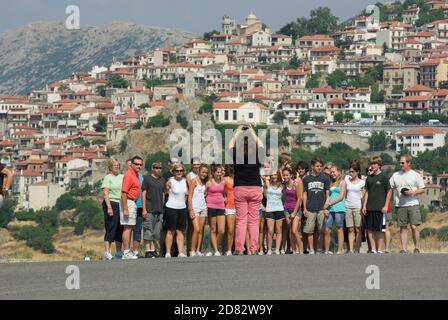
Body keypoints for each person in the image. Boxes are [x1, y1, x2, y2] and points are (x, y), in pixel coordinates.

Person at [228, 124, 265, 255]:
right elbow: (261, 145)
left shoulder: (236, 155)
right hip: (255, 188)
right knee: (254, 220)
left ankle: (239, 247)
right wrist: (253, 132)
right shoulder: (257, 155)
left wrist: (237, 132)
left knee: (241, 219)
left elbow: (230, 146)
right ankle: (254, 248)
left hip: (240, 188)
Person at [389, 154, 425, 254]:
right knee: (403, 227)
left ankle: (417, 247)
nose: (401, 164)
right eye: (400, 162)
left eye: (403, 162)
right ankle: (404, 249)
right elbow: (389, 187)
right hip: (401, 205)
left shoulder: (415, 175)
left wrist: (412, 192)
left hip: (413, 203)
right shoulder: (395, 175)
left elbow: (422, 189)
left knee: (414, 226)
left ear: (409, 163)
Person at [362, 156, 391, 254]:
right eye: (371, 164)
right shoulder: (369, 178)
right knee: (369, 229)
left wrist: (386, 206)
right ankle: (373, 249)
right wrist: (364, 206)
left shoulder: (384, 177)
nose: (372, 166)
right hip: (370, 207)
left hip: (380, 208)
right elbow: (366, 192)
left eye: (374, 164)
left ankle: (379, 249)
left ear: (379, 165)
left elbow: (389, 191)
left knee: (380, 229)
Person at [302, 158, 330, 255]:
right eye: (317, 166)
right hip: (310, 208)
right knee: (309, 230)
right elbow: (305, 194)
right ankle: (311, 249)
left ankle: (319, 248)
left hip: (321, 208)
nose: (319, 168)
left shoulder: (325, 178)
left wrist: (326, 206)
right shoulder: (306, 179)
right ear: (312, 167)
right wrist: (305, 208)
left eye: (320, 166)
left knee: (321, 230)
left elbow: (327, 193)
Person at [121, 156, 144, 260]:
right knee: (128, 227)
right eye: (137, 164)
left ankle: (128, 251)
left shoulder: (135, 174)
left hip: (133, 202)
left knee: (130, 227)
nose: (139, 166)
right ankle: (126, 251)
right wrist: (125, 208)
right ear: (132, 164)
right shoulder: (129, 175)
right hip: (128, 201)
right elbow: (124, 192)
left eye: (140, 164)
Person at [142, 161, 166, 258]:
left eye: (160, 168)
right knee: (148, 229)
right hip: (149, 208)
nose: (158, 169)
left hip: (159, 209)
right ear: (152, 168)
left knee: (156, 231)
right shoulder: (147, 179)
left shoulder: (162, 180)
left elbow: (163, 194)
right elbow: (143, 193)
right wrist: (144, 209)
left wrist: (162, 206)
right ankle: (148, 250)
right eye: (156, 167)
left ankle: (153, 249)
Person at [101, 159, 124, 260]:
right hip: (111, 203)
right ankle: (107, 251)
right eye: (114, 165)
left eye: (118, 165)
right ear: (110, 167)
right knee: (111, 227)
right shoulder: (108, 177)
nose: (117, 167)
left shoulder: (122, 177)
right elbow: (106, 193)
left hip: (121, 203)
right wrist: (109, 207)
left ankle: (119, 251)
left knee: (120, 228)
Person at [164, 163, 188, 258]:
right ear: (173, 172)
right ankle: (168, 252)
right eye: (177, 171)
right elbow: (165, 191)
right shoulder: (171, 180)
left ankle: (181, 252)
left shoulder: (185, 181)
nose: (179, 172)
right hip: (171, 207)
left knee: (180, 231)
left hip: (182, 207)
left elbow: (188, 193)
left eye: (181, 171)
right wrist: (167, 187)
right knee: (171, 231)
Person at [187, 164, 209, 257]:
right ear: (199, 171)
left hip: (203, 208)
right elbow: (190, 196)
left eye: (206, 172)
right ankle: (192, 250)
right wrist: (190, 209)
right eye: (203, 172)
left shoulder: (205, 182)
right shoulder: (193, 181)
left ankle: (198, 250)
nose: (204, 174)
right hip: (195, 208)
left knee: (201, 230)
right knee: (196, 229)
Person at [325, 165, 346, 255]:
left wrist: (330, 203)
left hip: (339, 208)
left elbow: (341, 197)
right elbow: (328, 196)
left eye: (334, 172)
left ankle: (339, 250)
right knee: (327, 229)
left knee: (339, 229)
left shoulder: (342, 182)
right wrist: (325, 207)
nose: (332, 173)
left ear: (339, 172)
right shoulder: (330, 183)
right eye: (331, 172)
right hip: (330, 209)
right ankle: (326, 250)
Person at [205, 164, 226, 256]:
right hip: (211, 206)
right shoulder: (209, 182)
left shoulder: (223, 181)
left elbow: (224, 193)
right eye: (217, 172)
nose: (219, 174)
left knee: (221, 230)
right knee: (213, 229)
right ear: (213, 173)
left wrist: (224, 198)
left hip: (221, 206)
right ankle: (216, 250)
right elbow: (203, 193)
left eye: (220, 172)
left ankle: (214, 248)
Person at [345, 162, 365, 254]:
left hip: (358, 207)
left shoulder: (362, 182)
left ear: (357, 172)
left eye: (352, 172)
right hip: (348, 207)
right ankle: (351, 249)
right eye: (350, 171)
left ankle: (357, 248)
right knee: (350, 229)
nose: (350, 173)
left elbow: (364, 196)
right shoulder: (347, 180)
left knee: (358, 228)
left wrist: (363, 207)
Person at [283, 167, 304, 255]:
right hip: (287, 209)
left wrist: (295, 212)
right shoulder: (284, 184)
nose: (285, 176)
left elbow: (300, 199)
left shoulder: (296, 184)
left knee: (295, 230)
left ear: (291, 175)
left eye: (287, 175)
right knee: (290, 230)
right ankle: (294, 250)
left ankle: (301, 249)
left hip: (296, 209)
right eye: (284, 175)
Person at [264, 170, 285, 255]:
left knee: (279, 230)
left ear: (278, 175)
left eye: (275, 175)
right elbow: (265, 196)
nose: (273, 176)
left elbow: (284, 198)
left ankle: (277, 249)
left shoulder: (282, 185)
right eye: (272, 175)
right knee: (270, 230)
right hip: (270, 209)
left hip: (279, 209)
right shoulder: (267, 184)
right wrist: (266, 181)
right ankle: (269, 249)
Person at [131, 166, 144, 258]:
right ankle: (126, 250)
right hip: (130, 205)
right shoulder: (127, 176)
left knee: (138, 229)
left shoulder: (141, 177)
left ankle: (135, 251)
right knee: (127, 230)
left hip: (140, 206)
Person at [224, 164, 236, 256]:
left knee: (238, 229)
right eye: (231, 166)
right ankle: (228, 249)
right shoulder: (225, 179)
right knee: (230, 229)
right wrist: (224, 197)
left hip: (239, 206)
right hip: (229, 206)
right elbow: (222, 191)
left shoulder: (239, 178)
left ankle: (237, 248)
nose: (232, 168)